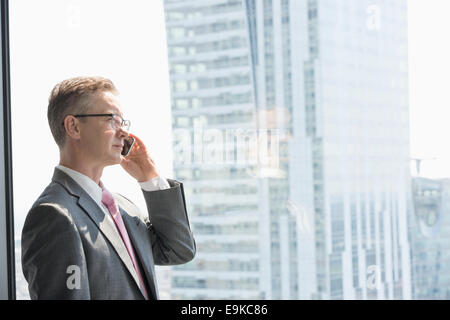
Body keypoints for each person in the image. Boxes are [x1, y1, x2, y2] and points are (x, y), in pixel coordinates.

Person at [21, 76, 196, 300]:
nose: (123, 132)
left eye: (123, 122)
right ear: (73, 127)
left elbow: (178, 250)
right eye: (112, 120)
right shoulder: (54, 214)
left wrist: (150, 177)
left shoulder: (124, 208)